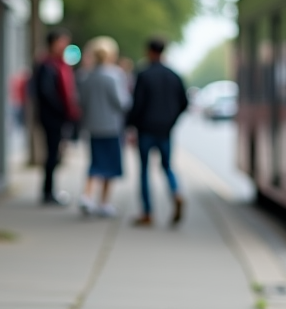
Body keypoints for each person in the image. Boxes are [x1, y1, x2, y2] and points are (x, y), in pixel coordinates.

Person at [127, 37, 188, 226]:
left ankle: (147, 212)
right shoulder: (174, 75)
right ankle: (175, 192)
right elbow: (184, 103)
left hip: (146, 129)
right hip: (165, 130)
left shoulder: (144, 75)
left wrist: (131, 125)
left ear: (149, 51)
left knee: (144, 171)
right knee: (167, 166)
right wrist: (172, 120)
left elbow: (137, 104)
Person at [78, 37, 131, 217]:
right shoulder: (115, 75)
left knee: (95, 163)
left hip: (92, 126)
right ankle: (104, 203)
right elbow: (121, 102)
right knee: (110, 166)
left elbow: (81, 101)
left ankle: (87, 196)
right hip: (111, 127)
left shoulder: (86, 76)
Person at [32, 28, 80, 204]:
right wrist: (62, 110)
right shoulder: (47, 65)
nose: (65, 46)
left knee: (55, 154)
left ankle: (49, 190)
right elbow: (46, 93)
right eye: (62, 42)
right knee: (52, 154)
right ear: (53, 43)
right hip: (52, 117)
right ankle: (48, 192)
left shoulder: (59, 65)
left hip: (57, 116)